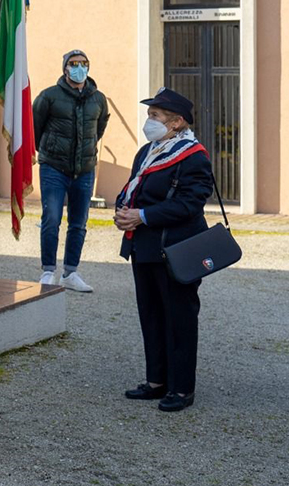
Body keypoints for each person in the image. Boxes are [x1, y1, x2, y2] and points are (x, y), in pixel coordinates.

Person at [114, 88, 214, 413]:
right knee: (151, 315)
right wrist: (123, 212)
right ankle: (156, 381)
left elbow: (190, 202)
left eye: (155, 116)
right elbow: (134, 186)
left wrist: (142, 216)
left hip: (176, 247)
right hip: (144, 246)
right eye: (149, 115)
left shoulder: (193, 155)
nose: (149, 121)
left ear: (176, 123)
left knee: (179, 318)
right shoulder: (147, 151)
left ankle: (182, 388)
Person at [31, 49, 108, 292]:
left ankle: (70, 272)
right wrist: (48, 150)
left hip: (84, 170)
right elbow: (36, 125)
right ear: (65, 68)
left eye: (83, 63)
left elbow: (99, 128)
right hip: (53, 167)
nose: (79, 68)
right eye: (74, 64)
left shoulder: (98, 98)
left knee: (79, 223)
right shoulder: (49, 96)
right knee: (51, 219)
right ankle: (48, 271)